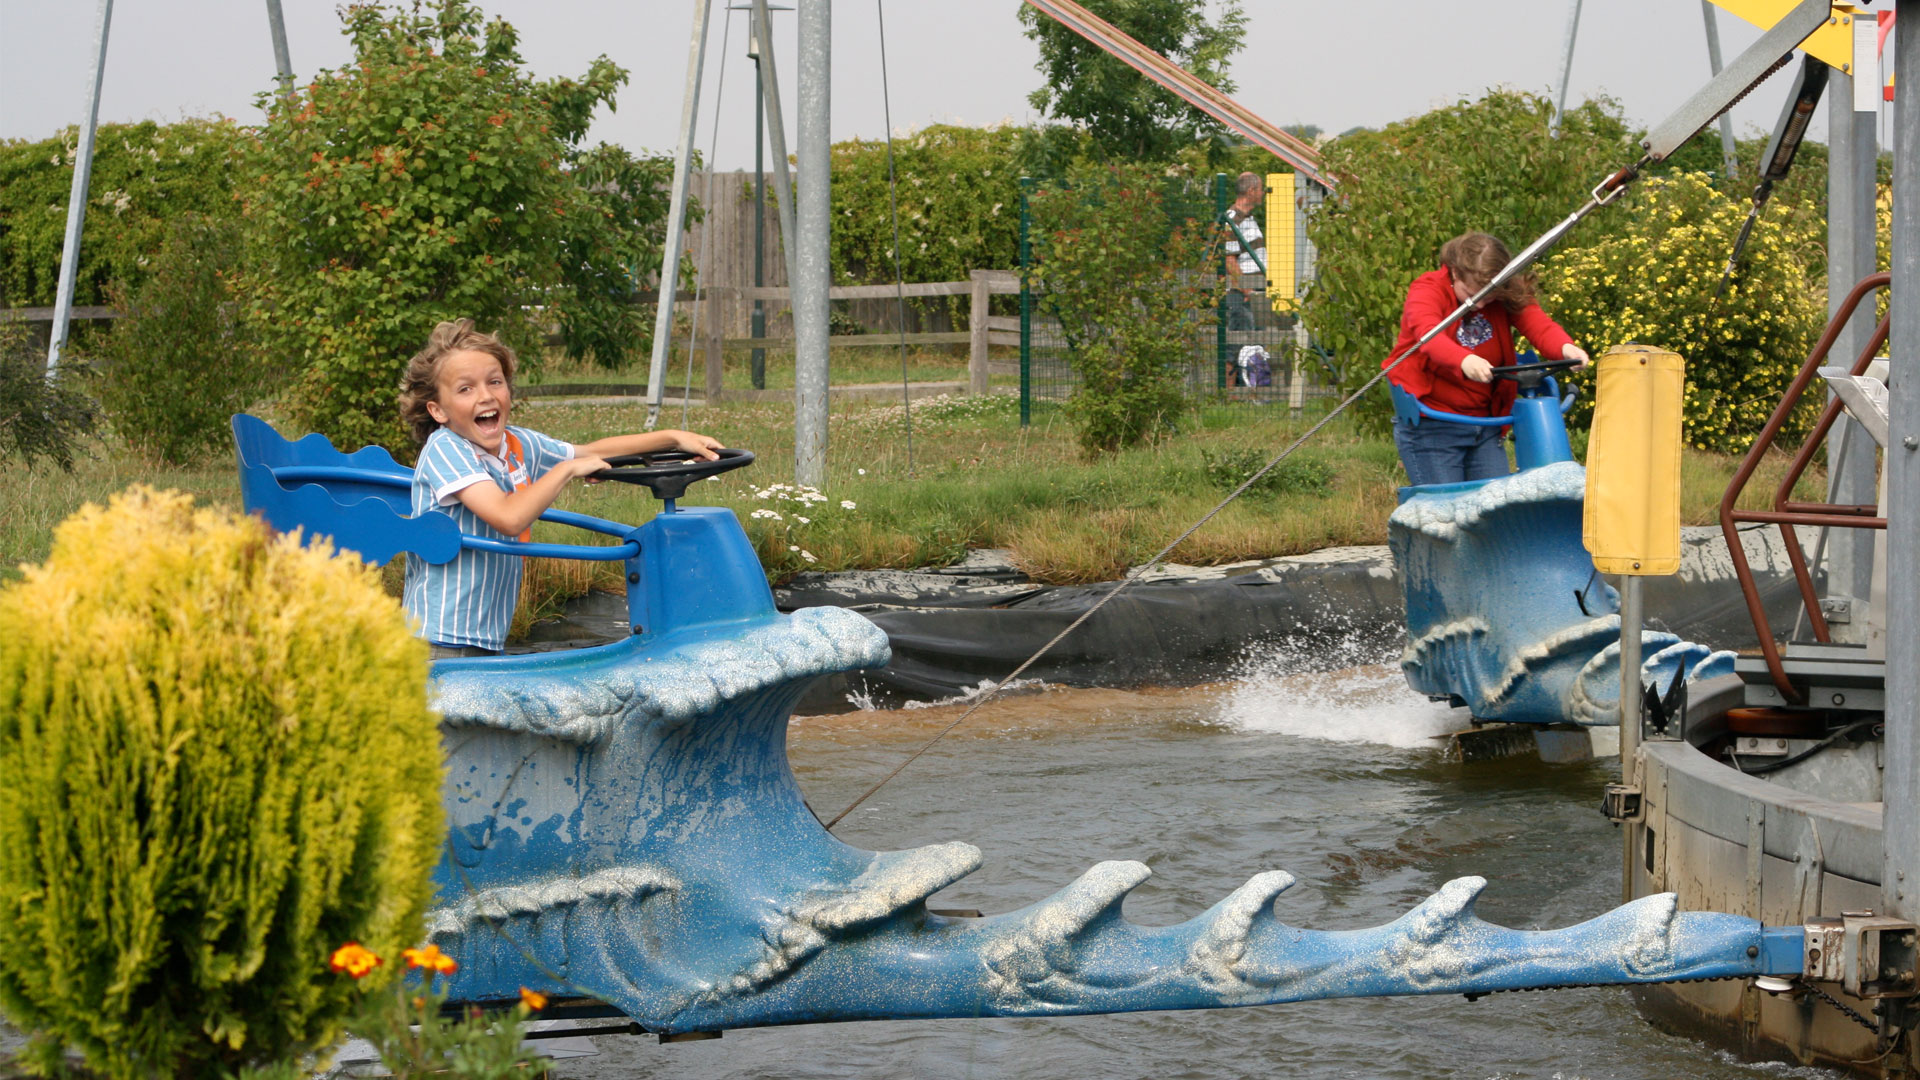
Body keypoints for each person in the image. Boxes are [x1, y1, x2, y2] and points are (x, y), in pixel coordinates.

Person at [397, 319, 723, 658]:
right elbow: (508, 518)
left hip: (485, 637)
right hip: (437, 639)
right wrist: (566, 471)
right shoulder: (445, 449)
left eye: (495, 382)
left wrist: (672, 438)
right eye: (466, 389)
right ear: (437, 410)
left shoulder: (516, 445)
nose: (486, 396)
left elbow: (591, 452)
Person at [1383, 232, 1590, 487]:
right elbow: (1428, 335)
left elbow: (1537, 323)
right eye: (1471, 295)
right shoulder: (1427, 289)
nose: (1480, 304)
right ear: (1455, 273)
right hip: (1432, 427)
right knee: (1445, 517)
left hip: (1485, 426)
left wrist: (1565, 347)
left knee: (1493, 509)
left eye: (1488, 296)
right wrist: (1463, 360)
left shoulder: (1504, 291)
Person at [1222, 171, 1269, 334]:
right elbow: (1230, 260)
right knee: (1238, 344)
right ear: (1251, 191)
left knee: (1256, 343)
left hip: (1255, 289)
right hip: (1242, 294)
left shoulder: (1248, 218)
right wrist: (1246, 289)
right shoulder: (1232, 219)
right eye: (1260, 189)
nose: (1262, 193)